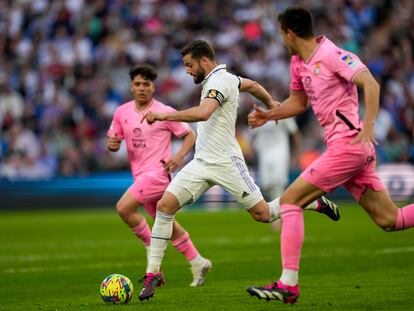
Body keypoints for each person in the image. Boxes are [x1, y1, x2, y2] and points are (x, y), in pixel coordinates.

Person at [138, 40, 340, 301]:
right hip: (201, 162)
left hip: (226, 162)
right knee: (165, 206)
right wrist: (272, 106)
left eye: (189, 65)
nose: (187, 71)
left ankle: (311, 202)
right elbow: (253, 85)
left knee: (263, 214)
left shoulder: (220, 81)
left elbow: (204, 112)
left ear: (205, 61)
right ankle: (154, 273)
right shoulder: (227, 78)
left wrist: (165, 116)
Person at [246, 6, 414, 305]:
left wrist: (370, 125)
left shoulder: (332, 54)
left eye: (282, 33)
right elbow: (298, 103)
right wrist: (270, 114)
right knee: (391, 219)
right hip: (346, 150)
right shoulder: (298, 62)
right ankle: (292, 274)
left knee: (289, 201)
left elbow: (371, 84)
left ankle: (288, 285)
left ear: (290, 33)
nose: (282, 39)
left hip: (350, 146)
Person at [107, 64, 212, 288]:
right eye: (138, 84)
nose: (142, 88)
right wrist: (113, 144)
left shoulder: (164, 111)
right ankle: (198, 261)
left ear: (153, 87)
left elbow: (190, 135)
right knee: (166, 225)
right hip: (140, 175)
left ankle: (151, 254)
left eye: (146, 84)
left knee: (123, 208)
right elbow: (114, 142)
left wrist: (179, 157)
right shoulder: (121, 113)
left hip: (158, 174)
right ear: (131, 87)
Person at [252, 117, 301, 200]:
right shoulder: (257, 113)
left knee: (278, 183)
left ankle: (278, 207)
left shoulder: (284, 113)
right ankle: (274, 206)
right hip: (264, 155)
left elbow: (295, 134)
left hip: (280, 154)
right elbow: (254, 135)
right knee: (266, 185)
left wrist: (296, 155)